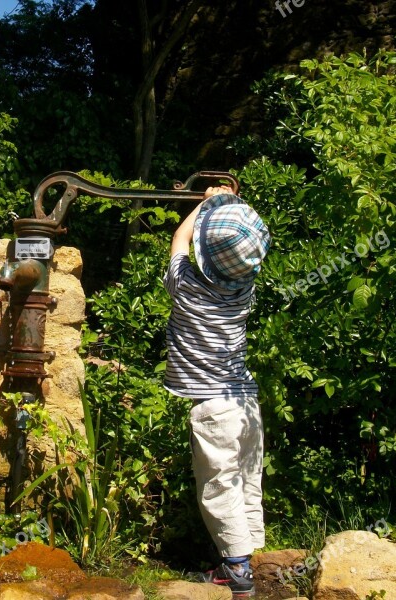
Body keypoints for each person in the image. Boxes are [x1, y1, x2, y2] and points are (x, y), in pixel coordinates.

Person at [163, 186, 271, 597]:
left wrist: (208, 204)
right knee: (246, 479)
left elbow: (179, 239)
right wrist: (230, 203)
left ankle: (237, 571)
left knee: (218, 488)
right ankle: (250, 554)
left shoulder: (184, 285)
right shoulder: (245, 289)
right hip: (245, 403)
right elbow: (242, 242)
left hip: (213, 409)